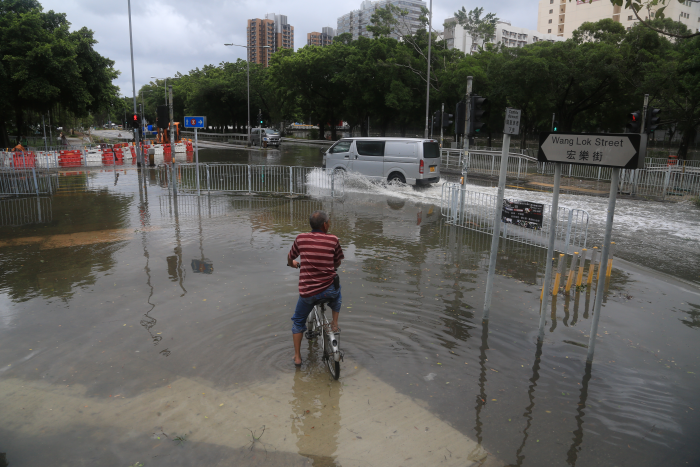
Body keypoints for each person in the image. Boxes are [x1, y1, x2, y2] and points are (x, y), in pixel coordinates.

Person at [287, 210, 344, 366]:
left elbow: (290, 257)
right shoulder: (333, 239)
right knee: (337, 292)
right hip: (329, 291)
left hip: (308, 293)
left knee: (298, 322)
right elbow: (337, 262)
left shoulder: (301, 238)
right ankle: (335, 323)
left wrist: (292, 264)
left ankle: (297, 357)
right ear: (325, 225)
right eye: (329, 222)